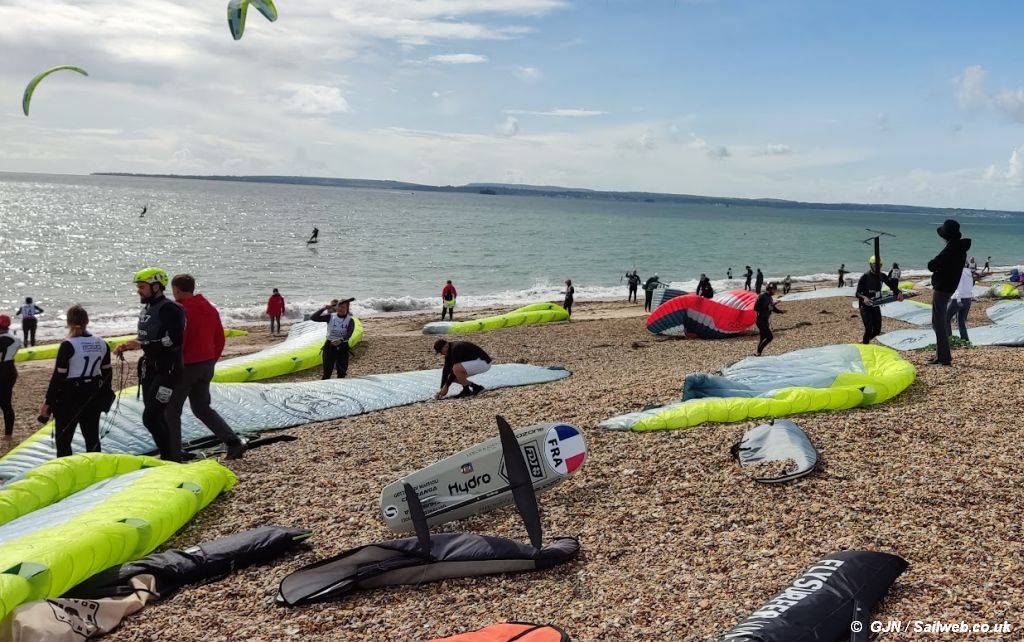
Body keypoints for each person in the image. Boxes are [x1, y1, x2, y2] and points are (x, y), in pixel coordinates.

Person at [168, 275, 246, 460]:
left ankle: (174, 453)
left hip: (187, 366)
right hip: (206, 364)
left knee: (171, 410)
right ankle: (233, 442)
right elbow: (219, 337)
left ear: (176, 289)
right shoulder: (209, 307)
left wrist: (172, 366)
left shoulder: (181, 310)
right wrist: (211, 360)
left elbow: (180, 341)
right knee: (202, 408)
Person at [114, 268, 186, 462]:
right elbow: (149, 336)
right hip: (150, 368)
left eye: (142, 287)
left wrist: (142, 344)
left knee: (152, 416)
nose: (139, 291)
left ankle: (170, 457)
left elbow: (175, 340)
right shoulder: (146, 308)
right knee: (153, 416)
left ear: (156, 286)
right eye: (138, 287)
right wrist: (130, 345)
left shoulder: (171, 309)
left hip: (168, 371)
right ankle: (168, 454)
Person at [40, 305, 113, 457]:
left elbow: (58, 378)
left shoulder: (68, 345)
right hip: (92, 394)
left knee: (64, 440)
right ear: (87, 321)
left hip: (69, 396)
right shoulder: (102, 343)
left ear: (68, 323)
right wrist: (105, 396)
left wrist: (48, 403)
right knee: (92, 438)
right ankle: (96, 470)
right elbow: (107, 374)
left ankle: (66, 473)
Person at [927, 219, 971, 366]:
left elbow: (932, 265)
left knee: (937, 322)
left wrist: (937, 267)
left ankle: (944, 357)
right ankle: (941, 355)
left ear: (947, 236)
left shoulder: (951, 248)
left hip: (942, 288)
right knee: (939, 321)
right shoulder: (960, 248)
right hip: (950, 287)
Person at [856, 256, 903, 344]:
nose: (877, 267)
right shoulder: (865, 277)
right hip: (864, 305)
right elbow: (857, 293)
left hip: (875, 304)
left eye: (879, 265)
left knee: (877, 330)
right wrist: (864, 298)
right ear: (871, 265)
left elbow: (892, 286)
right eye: (875, 265)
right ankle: (865, 345)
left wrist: (899, 292)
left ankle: (865, 340)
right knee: (869, 328)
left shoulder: (882, 276)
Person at [311, 297, 356, 379]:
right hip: (329, 346)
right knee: (327, 373)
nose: (340, 309)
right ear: (336, 307)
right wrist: (323, 309)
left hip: (343, 347)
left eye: (343, 307)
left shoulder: (350, 320)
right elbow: (313, 318)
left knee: (342, 373)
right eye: (339, 307)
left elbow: (349, 333)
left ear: (347, 309)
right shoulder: (330, 317)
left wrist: (341, 340)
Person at [0, 315, 21, 442]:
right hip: (10, 370)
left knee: (5, 404)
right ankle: (8, 434)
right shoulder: (16, 339)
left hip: (1, 370)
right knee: (6, 403)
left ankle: (8, 435)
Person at [754, 282, 784, 356]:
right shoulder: (762, 296)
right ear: (769, 289)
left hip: (765, 320)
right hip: (760, 320)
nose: (775, 292)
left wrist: (781, 311)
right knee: (770, 337)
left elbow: (772, 308)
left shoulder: (770, 298)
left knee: (763, 337)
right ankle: (758, 352)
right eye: (774, 290)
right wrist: (767, 307)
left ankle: (758, 354)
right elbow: (755, 308)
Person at [947, 264, 974, 343]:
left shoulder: (959, 272)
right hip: (968, 299)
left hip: (958, 299)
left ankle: (949, 340)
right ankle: (965, 340)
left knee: (946, 319)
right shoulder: (968, 273)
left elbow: (959, 287)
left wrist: (958, 300)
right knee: (961, 321)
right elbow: (970, 286)